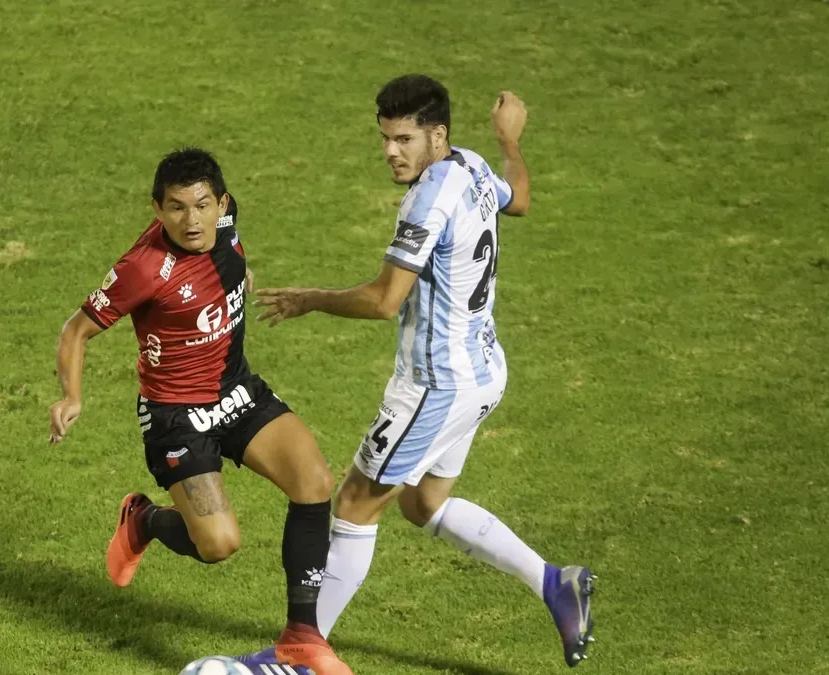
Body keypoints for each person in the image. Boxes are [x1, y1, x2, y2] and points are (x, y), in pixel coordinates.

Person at [249, 75, 596, 667]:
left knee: (355, 504)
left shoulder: (430, 197)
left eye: (404, 139)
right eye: (385, 139)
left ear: (437, 135)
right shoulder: (472, 164)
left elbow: (386, 299)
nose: (391, 152)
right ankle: (554, 583)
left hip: (436, 385)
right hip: (484, 372)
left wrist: (311, 297)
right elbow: (521, 196)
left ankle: (297, 658)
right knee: (423, 504)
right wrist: (510, 141)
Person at [47, 147, 352, 675]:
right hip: (177, 417)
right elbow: (77, 330)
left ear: (221, 203)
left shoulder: (227, 223)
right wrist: (72, 396)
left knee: (315, 482)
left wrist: (240, 273)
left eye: (202, 205)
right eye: (176, 208)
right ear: (157, 209)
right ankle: (142, 519)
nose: (192, 220)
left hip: (237, 390)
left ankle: (301, 635)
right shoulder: (142, 268)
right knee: (218, 545)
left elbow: (231, 250)